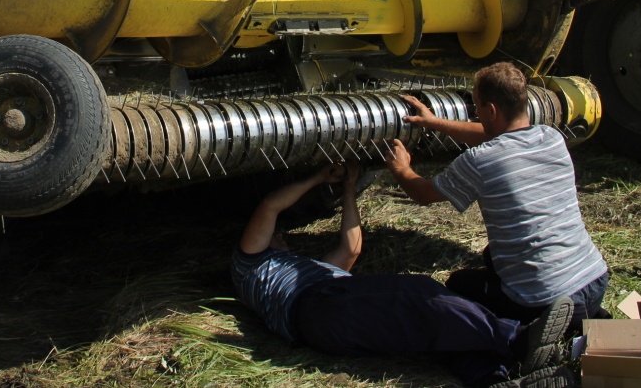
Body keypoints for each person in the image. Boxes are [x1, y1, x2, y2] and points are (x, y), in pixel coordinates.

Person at [231, 163, 576, 388]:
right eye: (277, 235)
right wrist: (317, 177)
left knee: (431, 331)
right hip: (317, 308)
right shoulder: (250, 262)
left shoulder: (310, 267)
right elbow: (270, 207)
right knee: (418, 293)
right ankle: (517, 341)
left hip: (330, 324)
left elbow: (351, 249)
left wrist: (348, 189)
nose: (281, 234)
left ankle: (492, 379)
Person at [383, 61, 609, 330]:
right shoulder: (551, 137)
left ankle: (522, 338)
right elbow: (493, 135)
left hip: (540, 299)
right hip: (594, 280)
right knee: (492, 257)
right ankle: (583, 318)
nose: (476, 114)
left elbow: (423, 194)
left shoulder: (481, 161)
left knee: (460, 284)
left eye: (476, 107)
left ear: (491, 110)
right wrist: (435, 123)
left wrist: (400, 167)